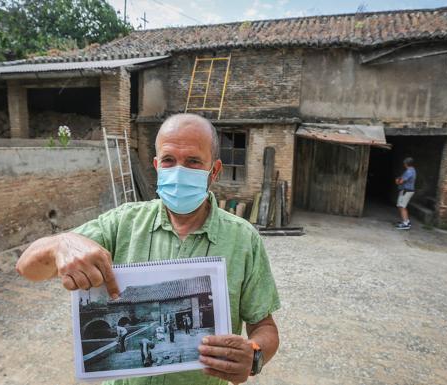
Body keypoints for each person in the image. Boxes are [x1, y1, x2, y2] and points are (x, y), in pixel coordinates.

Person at [16, 113, 281, 385]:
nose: (179, 170)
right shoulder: (121, 223)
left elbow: (264, 326)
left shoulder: (243, 239)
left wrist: (254, 355)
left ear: (213, 171)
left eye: (192, 161)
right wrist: (62, 244)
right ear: (156, 166)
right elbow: (28, 267)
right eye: (169, 160)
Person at [395, 157, 417, 230]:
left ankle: (406, 224)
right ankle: (406, 221)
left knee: (402, 206)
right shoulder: (411, 170)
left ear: (405, 164)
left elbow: (401, 181)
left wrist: (397, 181)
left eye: (404, 163)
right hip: (405, 190)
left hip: (407, 191)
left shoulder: (409, 171)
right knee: (399, 205)